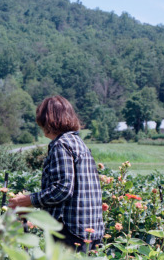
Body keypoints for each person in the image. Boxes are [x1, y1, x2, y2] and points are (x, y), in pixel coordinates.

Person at [8, 95, 104, 251]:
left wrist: (29, 200)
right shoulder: (78, 143)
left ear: (48, 121)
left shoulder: (61, 145)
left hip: (71, 230)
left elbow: (63, 189)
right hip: (90, 228)